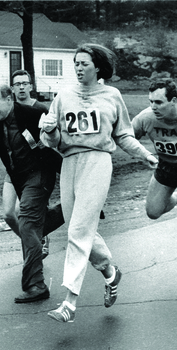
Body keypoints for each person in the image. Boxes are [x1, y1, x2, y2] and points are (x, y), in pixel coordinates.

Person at [40, 44, 158, 322]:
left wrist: (144, 155)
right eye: (76, 63)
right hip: (69, 162)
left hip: (98, 162)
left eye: (84, 63)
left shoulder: (112, 95)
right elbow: (53, 141)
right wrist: (51, 130)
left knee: (78, 231)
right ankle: (110, 272)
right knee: (79, 228)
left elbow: (124, 135)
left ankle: (69, 303)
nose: (78, 68)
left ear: (98, 67)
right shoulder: (64, 95)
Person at [0, 83, 64, 304]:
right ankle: (68, 209)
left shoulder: (33, 113)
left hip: (40, 172)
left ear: (9, 100)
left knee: (27, 221)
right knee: (33, 226)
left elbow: (56, 141)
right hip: (18, 177)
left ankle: (35, 285)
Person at [4, 70, 53, 258]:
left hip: (37, 170)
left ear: (31, 86)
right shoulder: (8, 109)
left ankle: (35, 245)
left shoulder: (40, 109)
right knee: (8, 214)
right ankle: (34, 241)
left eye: (25, 83)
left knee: (24, 212)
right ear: (12, 88)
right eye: (17, 84)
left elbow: (52, 138)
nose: (22, 87)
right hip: (14, 168)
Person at [132, 79, 177, 220]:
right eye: (150, 101)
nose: (153, 107)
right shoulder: (146, 117)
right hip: (167, 165)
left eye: (158, 102)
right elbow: (125, 137)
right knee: (153, 212)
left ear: (174, 100)